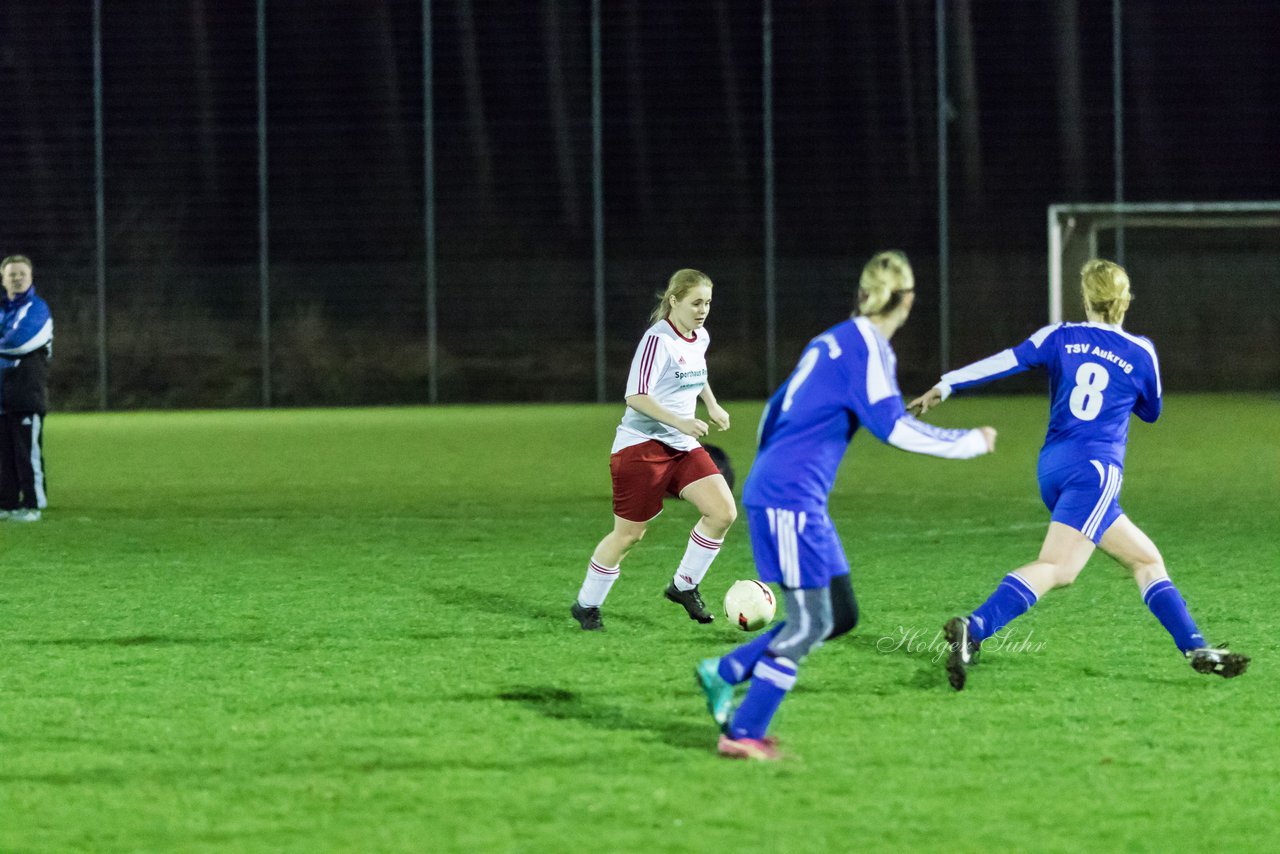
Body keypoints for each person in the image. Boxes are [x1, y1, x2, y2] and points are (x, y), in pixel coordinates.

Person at [696, 251, 996, 760]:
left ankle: (724, 671)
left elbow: (777, 408)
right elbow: (893, 428)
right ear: (907, 300)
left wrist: (774, 465)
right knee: (810, 623)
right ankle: (742, 731)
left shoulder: (833, 339)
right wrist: (969, 442)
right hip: (790, 497)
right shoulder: (871, 349)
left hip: (792, 492)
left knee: (841, 614)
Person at [907, 259, 1249, 690]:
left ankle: (1196, 647)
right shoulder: (1140, 351)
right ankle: (973, 627)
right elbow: (1152, 411)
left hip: (1053, 467)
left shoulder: (1060, 336)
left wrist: (947, 384)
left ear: (1085, 298)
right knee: (1058, 567)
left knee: (1145, 559)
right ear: (1125, 301)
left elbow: (1006, 361)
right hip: (1096, 472)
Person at [570, 269, 735, 630]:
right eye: (695, 303)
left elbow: (698, 372)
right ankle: (587, 604)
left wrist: (712, 404)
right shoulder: (657, 341)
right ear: (673, 301)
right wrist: (681, 422)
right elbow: (636, 396)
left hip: (681, 445)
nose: (703, 309)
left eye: (707, 302)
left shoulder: (699, 336)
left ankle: (683, 586)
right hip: (641, 448)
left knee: (722, 513)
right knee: (629, 535)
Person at [0, 254, 53, 522]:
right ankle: (7, 504)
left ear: (31, 277)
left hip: (25, 394)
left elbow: (21, 341)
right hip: (2, 396)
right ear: (3, 279)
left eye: (22, 273)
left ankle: (33, 504)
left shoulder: (37, 309)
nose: (17, 278)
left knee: (26, 454)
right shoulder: (2, 309)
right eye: (12, 274)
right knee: (4, 457)